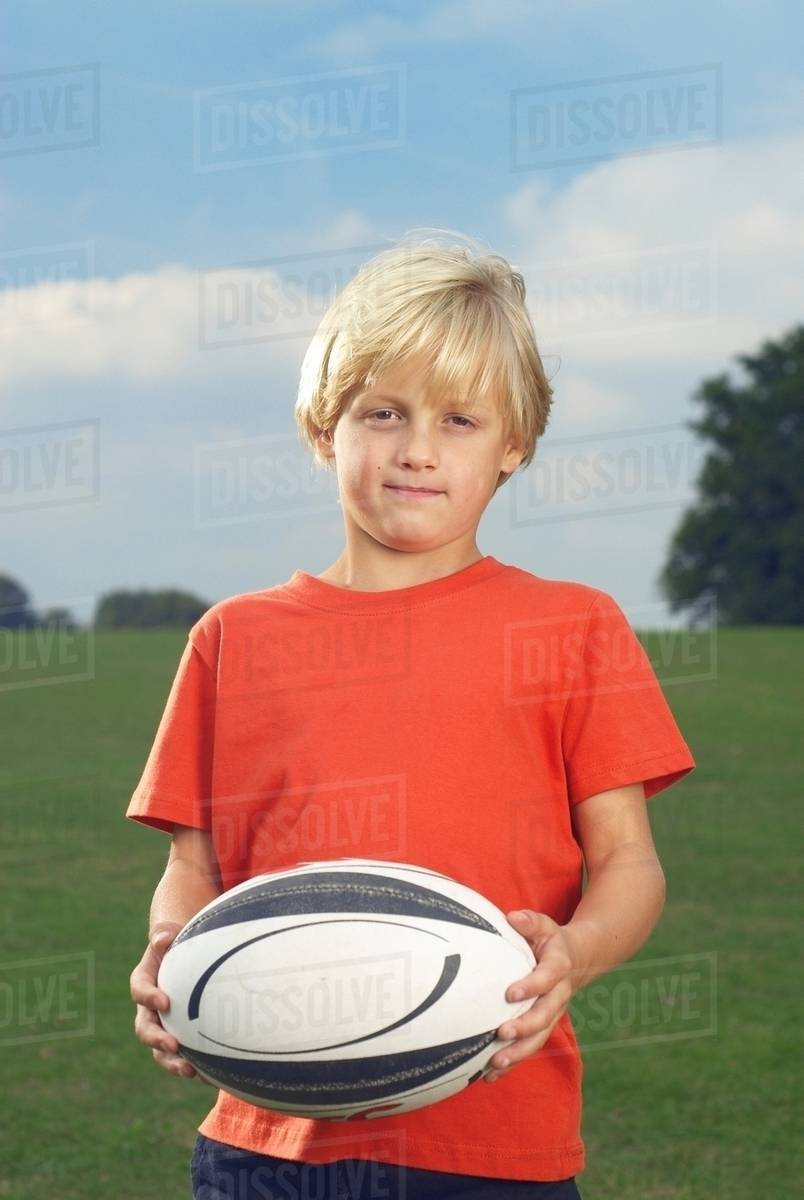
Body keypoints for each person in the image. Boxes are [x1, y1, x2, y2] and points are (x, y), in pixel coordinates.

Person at [127, 229, 696, 1199]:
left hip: (493, 1142)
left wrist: (575, 952)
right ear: (325, 428)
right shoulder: (233, 638)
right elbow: (194, 869)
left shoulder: (572, 629)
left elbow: (629, 866)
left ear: (514, 444)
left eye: (460, 420)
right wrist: (175, 957)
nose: (417, 450)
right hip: (265, 1149)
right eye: (383, 412)